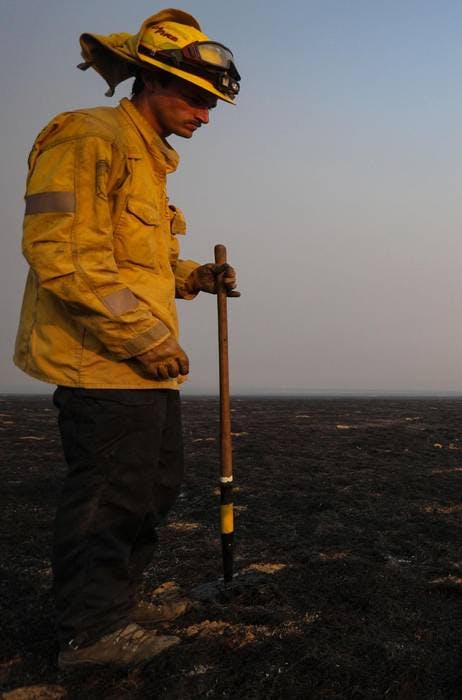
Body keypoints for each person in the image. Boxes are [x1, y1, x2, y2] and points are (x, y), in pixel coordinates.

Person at [13, 9, 241, 669]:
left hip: (145, 368)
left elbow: (136, 260)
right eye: (197, 98)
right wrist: (141, 336)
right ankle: (91, 633)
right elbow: (62, 255)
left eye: (213, 103)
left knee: (152, 489)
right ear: (153, 81)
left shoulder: (147, 159)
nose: (205, 115)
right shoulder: (89, 137)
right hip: (102, 362)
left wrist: (194, 274)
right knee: (109, 496)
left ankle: (121, 601)